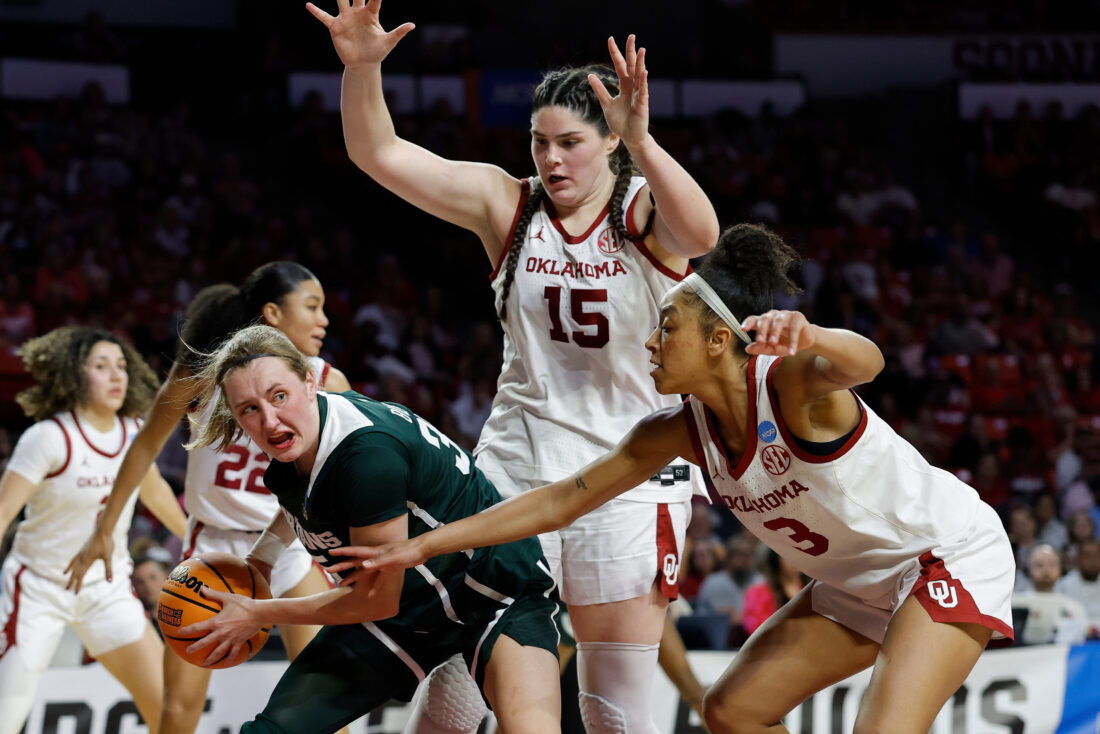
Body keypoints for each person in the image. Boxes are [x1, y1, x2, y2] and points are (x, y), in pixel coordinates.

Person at [332, 223, 1018, 734]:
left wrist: (811, 334)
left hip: (941, 557)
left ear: (719, 340)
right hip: (856, 583)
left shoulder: (789, 385)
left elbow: (866, 362)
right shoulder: (677, 430)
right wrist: (424, 544)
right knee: (732, 712)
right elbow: (560, 501)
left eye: (667, 326)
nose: (650, 342)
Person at [307, 2, 720, 731]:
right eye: (540, 142)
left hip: (629, 473)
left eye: (570, 143)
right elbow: (379, 153)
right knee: (456, 695)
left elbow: (704, 233)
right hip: (516, 462)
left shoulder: (642, 211)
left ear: (610, 141)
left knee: (614, 714)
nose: (551, 159)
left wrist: (643, 139)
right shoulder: (508, 204)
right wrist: (362, 69)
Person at [178, 325, 561, 734]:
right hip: (405, 609)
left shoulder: (367, 456)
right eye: (249, 409)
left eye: (279, 396)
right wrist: (262, 559)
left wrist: (258, 613)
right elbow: (307, 502)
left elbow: (374, 601)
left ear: (309, 381)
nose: (269, 420)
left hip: (492, 588)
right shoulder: (304, 437)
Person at [65, 262, 351, 734]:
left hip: (286, 544)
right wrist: (105, 528)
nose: (324, 319)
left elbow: (345, 470)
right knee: (179, 708)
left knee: (325, 699)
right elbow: (143, 447)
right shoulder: (203, 373)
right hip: (213, 546)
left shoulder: (324, 379)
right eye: (312, 306)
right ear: (273, 313)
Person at [0, 327, 187, 734]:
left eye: (121, 365)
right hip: (38, 588)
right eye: (101, 366)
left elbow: (156, 493)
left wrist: (197, 542)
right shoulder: (48, 437)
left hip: (106, 588)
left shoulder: (134, 432)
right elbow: (3, 513)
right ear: (74, 375)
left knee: (170, 709)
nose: (117, 375)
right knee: (6, 718)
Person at [740, 548, 808, 636]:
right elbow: (757, 628)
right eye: (790, 556)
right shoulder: (758, 593)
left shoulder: (812, 589)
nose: (797, 561)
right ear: (776, 560)